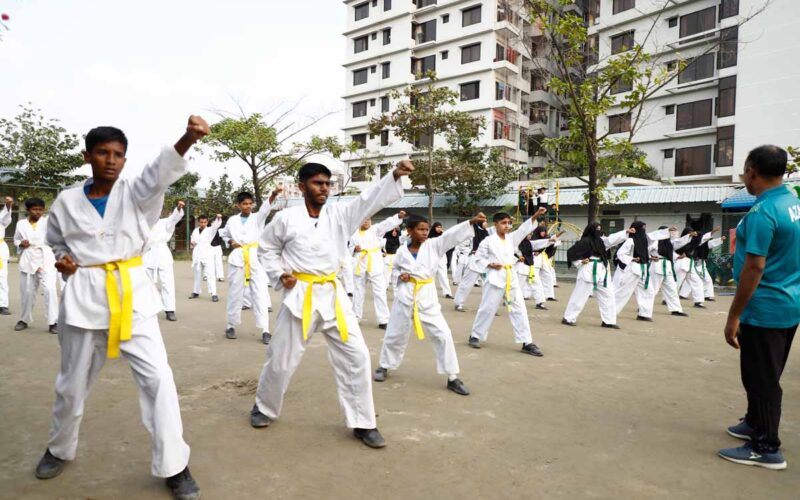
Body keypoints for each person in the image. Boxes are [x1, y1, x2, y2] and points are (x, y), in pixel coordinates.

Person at [35, 117, 208, 499]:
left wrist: (188, 138)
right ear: (88, 156)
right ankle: (59, 448)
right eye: (102, 153)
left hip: (133, 299)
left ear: (125, 160)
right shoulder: (66, 201)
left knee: (159, 379)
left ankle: (174, 465)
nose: (110, 160)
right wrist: (64, 261)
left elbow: (159, 172)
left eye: (117, 155)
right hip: (82, 300)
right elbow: (55, 241)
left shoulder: (137, 193)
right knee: (71, 383)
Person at [249, 160, 414, 449]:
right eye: (317, 183)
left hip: (333, 296)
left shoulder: (341, 214)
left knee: (357, 356)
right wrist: (279, 274)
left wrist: (394, 175)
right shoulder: (286, 218)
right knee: (281, 358)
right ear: (302, 186)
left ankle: (363, 422)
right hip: (301, 295)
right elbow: (267, 248)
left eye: (327, 183)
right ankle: (263, 407)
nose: (324, 188)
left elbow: (368, 200)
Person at [719, 145, 800, 470]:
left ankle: (766, 447)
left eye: (743, 171)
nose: (744, 178)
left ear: (752, 171)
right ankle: (754, 421)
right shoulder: (793, 202)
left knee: (761, 377)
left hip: (765, 308)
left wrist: (734, 314)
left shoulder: (763, 212)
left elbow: (754, 267)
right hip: (788, 302)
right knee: (767, 370)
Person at [374, 212, 486, 394]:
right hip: (405, 297)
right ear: (409, 231)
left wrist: (470, 222)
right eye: (420, 229)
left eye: (427, 229)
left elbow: (451, 236)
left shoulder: (434, 245)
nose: (425, 232)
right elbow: (395, 272)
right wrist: (400, 277)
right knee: (395, 334)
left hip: (427, 297)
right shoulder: (402, 251)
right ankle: (384, 365)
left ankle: (452, 376)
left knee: (443, 334)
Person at [467, 208, 547, 355]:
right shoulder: (488, 241)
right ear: (495, 224)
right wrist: (489, 264)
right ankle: (476, 335)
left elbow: (523, 229)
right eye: (503, 223)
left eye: (509, 223)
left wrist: (536, 215)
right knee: (487, 308)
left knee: (520, 309)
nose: (507, 226)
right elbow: (477, 258)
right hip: (495, 277)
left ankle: (526, 341)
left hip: (511, 277)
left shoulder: (511, 238)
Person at [219, 188, 280, 344]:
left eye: (250, 204)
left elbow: (266, 209)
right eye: (244, 204)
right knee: (234, 293)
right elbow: (224, 234)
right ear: (238, 205)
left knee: (260, 293)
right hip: (237, 258)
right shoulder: (232, 220)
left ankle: (265, 329)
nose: (247, 206)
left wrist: (273, 194)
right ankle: (231, 325)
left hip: (255, 258)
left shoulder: (257, 218)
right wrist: (230, 242)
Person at [562, 222, 631, 328]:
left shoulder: (601, 242)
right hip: (588, 269)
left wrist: (625, 231)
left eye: (600, 229)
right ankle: (568, 317)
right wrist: (580, 261)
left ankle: (608, 321)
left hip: (602, 271)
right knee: (580, 295)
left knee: (608, 295)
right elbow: (571, 253)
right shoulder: (584, 242)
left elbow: (611, 239)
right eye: (596, 229)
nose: (598, 231)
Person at [351, 211, 406, 329]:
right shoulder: (353, 234)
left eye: (368, 219)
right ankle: (355, 317)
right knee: (358, 291)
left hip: (374, 263)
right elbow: (348, 246)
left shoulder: (376, 230)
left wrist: (398, 217)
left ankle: (383, 320)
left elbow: (386, 224)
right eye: (364, 219)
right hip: (359, 264)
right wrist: (354, 249)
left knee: (380, 291)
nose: (366, 222)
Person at [13, 197, 59, 333]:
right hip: (28, 258)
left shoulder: (49, 221)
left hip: (46, 258)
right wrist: (20, 243)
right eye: (34, 209)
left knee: (50, 290)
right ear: (28, 210)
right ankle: (24, 319)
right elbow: (16, 239)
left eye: (40, 209)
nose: (38, 212)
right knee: (27, 291)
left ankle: (53, 322)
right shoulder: (21, 224)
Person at [612, 222, 671, 322]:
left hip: (643, 270)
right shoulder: (630, 240)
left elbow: (653, 236)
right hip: (632, 269)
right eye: (642, 228)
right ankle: (611, 312)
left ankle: (644, 314)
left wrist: (667, 231)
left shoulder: (644, 241)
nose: (644, 231)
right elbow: (620, 253)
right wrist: (632, 259)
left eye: (645, 228)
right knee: (624, 292)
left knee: (649, 291)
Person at [143, 201, 184, 322]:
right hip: (148, 255)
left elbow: (174, 218)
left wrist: (178, 208)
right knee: (147, 284)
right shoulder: (143, 224)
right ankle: (148, 308)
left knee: (168, 283)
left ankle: (170, 310)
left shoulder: (165, 222)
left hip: (163, 255)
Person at [649, 226, 692, 317]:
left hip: (667, 267)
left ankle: (676, 309)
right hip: (657, 266)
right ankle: (644, 306)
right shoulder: (654, 241)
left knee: (672, 289)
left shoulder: (668, 242)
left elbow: (677, 244)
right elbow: (644, 251)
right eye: (668, 231)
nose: (669, 233)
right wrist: (650, 257)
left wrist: (689, 236)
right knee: (653, 289)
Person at [453, 220, 489, 312]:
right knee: (466, 283)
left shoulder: (487, 233)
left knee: (489, 284)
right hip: (474, 261)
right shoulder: (472, 233)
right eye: (484, 222)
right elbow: (463, 246)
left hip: (485, 262)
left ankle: (489, 307)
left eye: (487, 221)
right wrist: (471, 251)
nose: (486, 223)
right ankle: (458, 303)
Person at [675, 228, 715, 308]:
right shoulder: (679, 241)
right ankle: (666, 299)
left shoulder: (694, 242)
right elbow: (674, 250)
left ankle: (698, 302)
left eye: (692, 232)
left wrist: (712, 232)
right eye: (690, 232)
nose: (692, 233)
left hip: (690, 264)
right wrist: (678, 255)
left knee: (697, 282)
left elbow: (702, 237)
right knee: (676, 283)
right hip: (681, 263)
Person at [189, 214, 222, 302]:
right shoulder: (195, 231)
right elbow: (192, 239)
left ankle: (213, 293)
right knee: (197, 275)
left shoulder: (210, 230)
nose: (203, 224)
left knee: (210, 275)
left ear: (207, 222)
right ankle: (196, 292)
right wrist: (192, 242)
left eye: (205, 222)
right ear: (198, 222)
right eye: (201, 222)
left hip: (207, 255)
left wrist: (218, 218)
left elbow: (216, 226)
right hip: (197, 256)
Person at [427, 222, 453, 299]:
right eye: (437, 227)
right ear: (434, 228)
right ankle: (430, 293)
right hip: (432, 257)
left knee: (444, 276)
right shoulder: (430, 236)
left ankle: (447, 293)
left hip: (442, 257)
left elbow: (450, 242)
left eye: (440, 227)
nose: (439, 228)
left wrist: (444, 233)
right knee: (431, 276)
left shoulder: (443, 236)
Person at [1, 196, 14, 315]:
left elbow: (6, 214)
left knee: (2, 278)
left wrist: (9, 204)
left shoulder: (1, 219)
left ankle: (3, 305)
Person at [383, 225, 402, 292]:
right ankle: (384, 288)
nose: (394, 232)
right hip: (387, 258)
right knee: (386, 274)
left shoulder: (399, 239)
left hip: (396, 258)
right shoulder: (385, 239)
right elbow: (380, 248)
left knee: (396, 276)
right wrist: (383, 253)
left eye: (395, 230)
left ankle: (396, 291)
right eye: (392, 230)